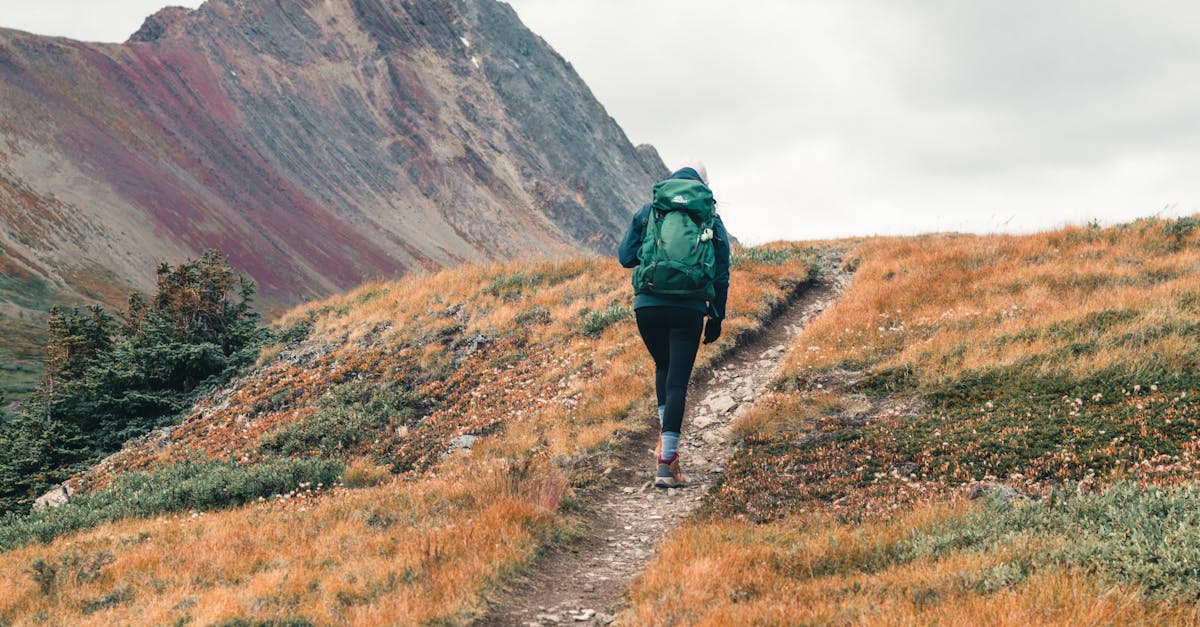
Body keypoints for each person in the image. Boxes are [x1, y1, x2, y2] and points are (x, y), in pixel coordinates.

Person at [618, 161, 730, 488]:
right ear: (703, 185)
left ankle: (664, 449)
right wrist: (716, 317)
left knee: (662, 367)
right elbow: (721, 272)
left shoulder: (651, 209)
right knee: (677, 383)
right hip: (689, 310)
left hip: (648, 307)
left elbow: (626, 257)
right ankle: (667, 463)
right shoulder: (709, 216)